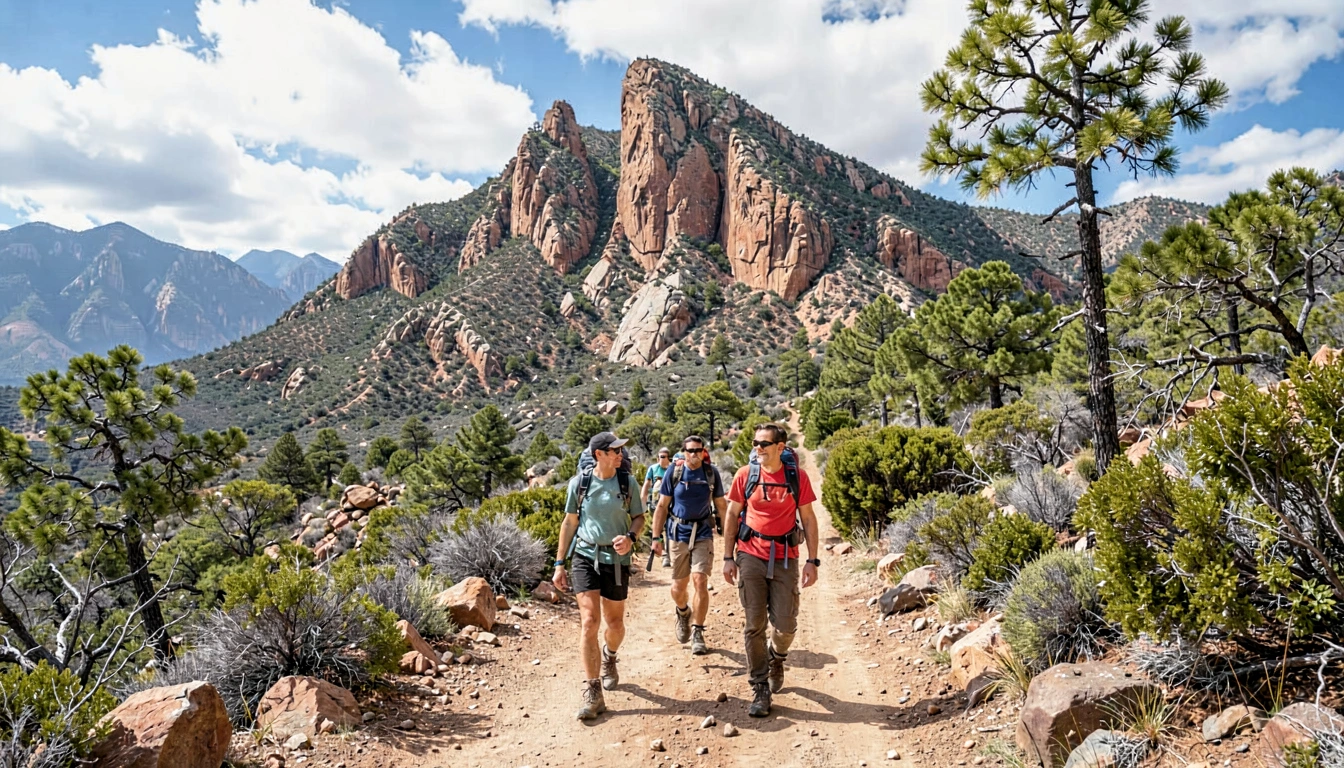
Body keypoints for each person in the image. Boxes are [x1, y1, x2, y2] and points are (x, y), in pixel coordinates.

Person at [723, 423, 820, 718]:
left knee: (786, 625)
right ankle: (760, 687)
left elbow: (808, 518)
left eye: (764, 443)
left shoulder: (796, 477)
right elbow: (731, 514)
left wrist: (812, 561)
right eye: (755, 443)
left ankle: (777, 657)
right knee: (754, 624)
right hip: (750, 555)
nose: (758, 448)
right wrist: (728, 557)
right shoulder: (745, 475)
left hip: (786, 557)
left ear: (781, 447)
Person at [553, 432, 646, 720]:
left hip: (616, 560)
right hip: (584, 556)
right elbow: (570, 523)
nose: (621, 455)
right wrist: (559, 563)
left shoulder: (626, 482)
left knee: (615, 624)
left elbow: (639, 518)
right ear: (599, 454)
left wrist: (630, 537)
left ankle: (610, 656)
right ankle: (594, 692)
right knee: (589, 621)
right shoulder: (579, 484)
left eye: (620, 451)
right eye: (615, 451)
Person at [650, 435, 726, 655]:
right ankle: (683, 612)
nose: (694, 454)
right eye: (690, 450)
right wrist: (656, 538)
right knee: (678, 588)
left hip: (702, 532)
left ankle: (698, 631)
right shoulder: (673, 473)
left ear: (703, 451)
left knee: (700, 580)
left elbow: (721, 505)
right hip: (677, 534)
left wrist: (732, 534)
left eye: (698, 450)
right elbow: (662, 506)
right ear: (683, 451)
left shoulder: (711, 474)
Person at [641, 448, 673, 568]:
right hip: (655, 504)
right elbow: (646, 484)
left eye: (664, 456)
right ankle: (663, 553)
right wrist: (642, 501)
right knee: (657, 530)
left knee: (669, 529)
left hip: (669, 505)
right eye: (660, 456)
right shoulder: (653, 469)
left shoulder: (672, 469)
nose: (661, 459)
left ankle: (669, 555)